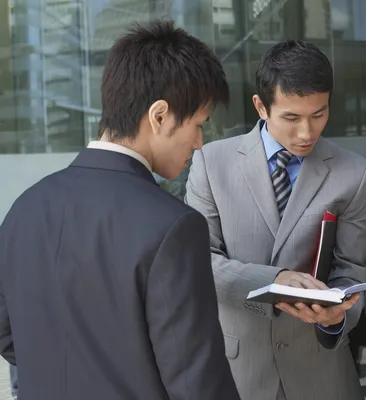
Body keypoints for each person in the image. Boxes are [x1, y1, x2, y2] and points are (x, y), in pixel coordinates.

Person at [0, 20, 240, 400]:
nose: (198, 143)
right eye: (198, 125)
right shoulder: (173, 226)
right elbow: (197, 382)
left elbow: (7, 334)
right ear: (159, 116)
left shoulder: (24, 208)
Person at [185, 40, 366, 400]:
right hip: (238, 371)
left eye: (318, 114)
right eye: (291, 117)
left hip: (321, 373)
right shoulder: (212, 163)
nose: (306, 133)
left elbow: (351, 270)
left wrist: (338, 319)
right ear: (261, 106)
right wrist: (274, 280)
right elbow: (199, 261)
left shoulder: (355, 173)